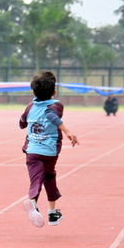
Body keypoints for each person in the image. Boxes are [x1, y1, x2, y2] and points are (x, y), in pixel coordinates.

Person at [20, 71, 79, 228]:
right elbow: (52, 115)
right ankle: (52, 213)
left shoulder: (30, 107)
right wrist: (67, 131)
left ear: (33, 92)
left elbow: (22, 123)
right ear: (54, 92)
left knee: (36, 178)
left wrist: (27, 117)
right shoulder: (57, 105)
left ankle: (32, 201)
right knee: (49, 176)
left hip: (33, 151)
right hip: (50, 152)